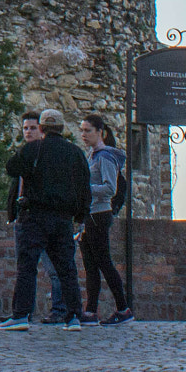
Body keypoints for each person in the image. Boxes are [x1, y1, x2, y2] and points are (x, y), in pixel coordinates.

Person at [0, 107, 89, 331]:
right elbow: (84, 188)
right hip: (63, 218)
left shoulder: (34, 149)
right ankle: (73, 316)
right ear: (62, 128)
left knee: (27, 266)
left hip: (35, 216)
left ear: (41, 128)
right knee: (66, 268)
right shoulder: (75, 153)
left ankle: (20, 315)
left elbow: (11, 168)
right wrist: (80, 215)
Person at [11, 113, 71, 322]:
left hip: (43, 218)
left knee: (54, 268)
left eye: (32, 128)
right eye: (25, 128)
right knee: (25, 268)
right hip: (24, 218)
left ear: (42, 129)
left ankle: (61, 310)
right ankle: (23, 312)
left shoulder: (45, 154)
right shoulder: (26, 154)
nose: (28, 131)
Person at [80, 114, 134, 325]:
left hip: (99, 215)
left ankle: (123, 308)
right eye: (82, 130)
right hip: (89, 215)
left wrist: (85, 190)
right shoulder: (92, 156)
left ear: (100, 132)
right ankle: (91, 311)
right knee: (91, 265)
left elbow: (110, 188)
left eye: (88, 131)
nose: (84, 135)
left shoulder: (105, 157)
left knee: (104, 262)